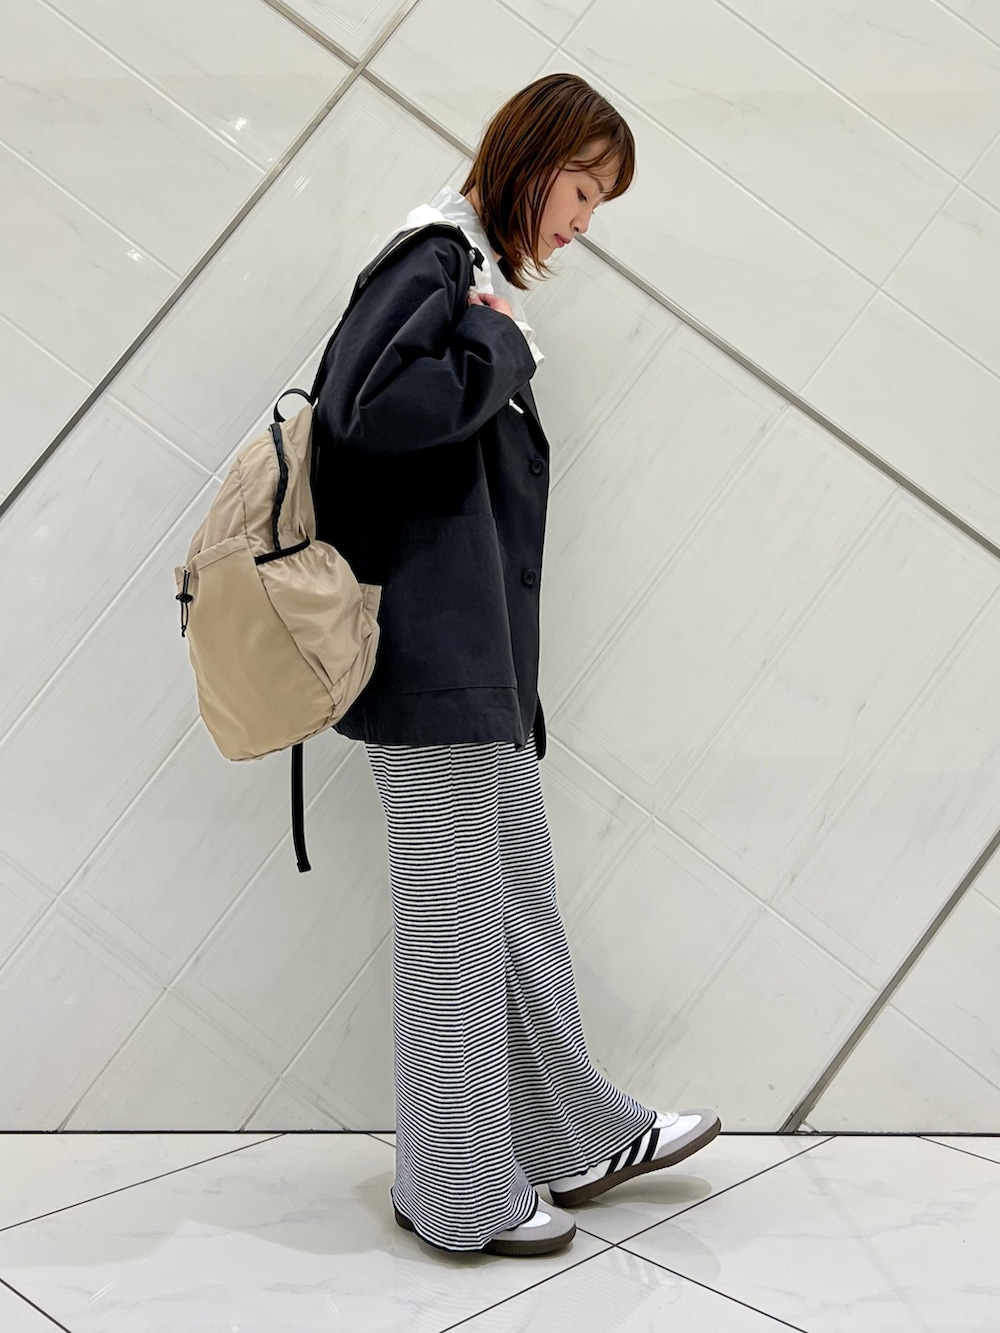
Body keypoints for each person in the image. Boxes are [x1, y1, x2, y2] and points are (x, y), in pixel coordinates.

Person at [311, 72, 721, 1259]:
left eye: (599, 199)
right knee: (454, 922)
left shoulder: (466, 271)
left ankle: (568, 1132)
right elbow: (358, 416)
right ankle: (453, 1188)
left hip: (471, 663)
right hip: (427, 663)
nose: (585, 218)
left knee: (514, 899)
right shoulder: (434, 262)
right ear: (530, 158)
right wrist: (494, 340)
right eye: (582, 188)